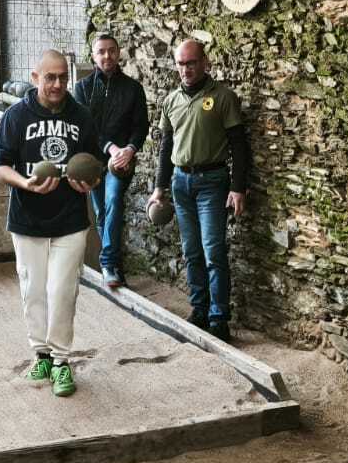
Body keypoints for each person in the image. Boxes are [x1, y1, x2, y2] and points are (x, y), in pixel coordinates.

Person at [0, 49, 99, 397]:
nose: (57, 84)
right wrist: (25, 183)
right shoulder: (16, 116)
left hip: (70, 220)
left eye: (63, 77)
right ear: (35, 78)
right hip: (27, 220)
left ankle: (62, 361)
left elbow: (94, 165)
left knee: (62, 291)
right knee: (33, 291)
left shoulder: (81, 116)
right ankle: (41, 354)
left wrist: (90, 182)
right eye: (49, 77)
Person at [147, 39, 250, 342]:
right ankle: (200, 309)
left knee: (213, 250)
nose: (186, 69)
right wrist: (159, 187)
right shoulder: (171, 101)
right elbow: (166, 148)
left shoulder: (223, 97)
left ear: (205, 63)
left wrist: (238, 187)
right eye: (181, 63)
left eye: (191, 63)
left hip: (212, 182)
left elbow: (239, 145)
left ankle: (219, 318)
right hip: (181, 183)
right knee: (191, 251)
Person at [72, 33, 149, 291]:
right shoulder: (82, 89)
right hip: (92, 161)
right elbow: (87, 126)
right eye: (101, 51)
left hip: (121, 162)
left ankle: (108, 263)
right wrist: (111, 147)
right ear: (93, 56)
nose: (107, 55)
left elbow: (141, 126)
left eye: (112, 50)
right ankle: (116, 267)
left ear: (118, 53)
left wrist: (129, 149)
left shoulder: (133, 89)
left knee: (113, 200)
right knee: (103, 212)